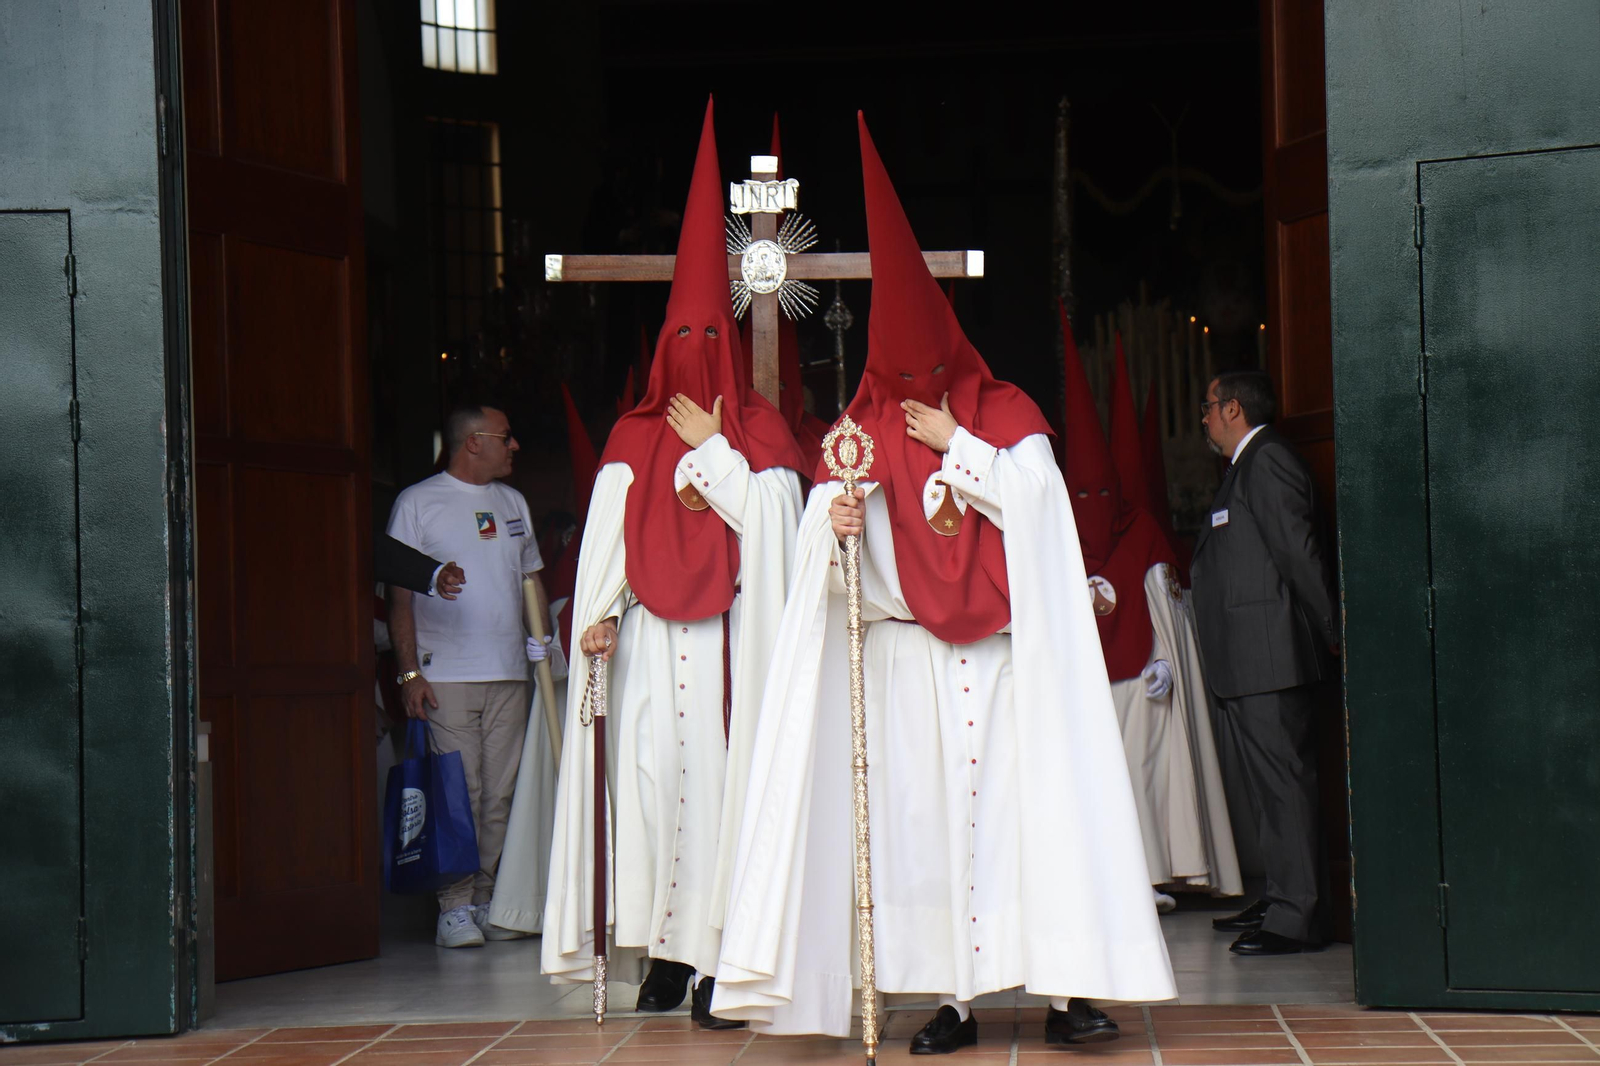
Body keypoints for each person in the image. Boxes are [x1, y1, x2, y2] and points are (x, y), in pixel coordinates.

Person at [710, 114, 1175, 1052]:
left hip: (1014, 669)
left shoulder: (1005, 414)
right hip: (909, 669)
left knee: (1033, 828)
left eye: (931, 369)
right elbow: (825, 562)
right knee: (927, 838)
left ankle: (1068, 992)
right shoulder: (859, 433)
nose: (915, 388)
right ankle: (949, 1000)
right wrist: (835, 531)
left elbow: (1042, 517)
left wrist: (955, 447)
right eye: (900, 372)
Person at [541, 99, 806, 1029]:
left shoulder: (760, 431)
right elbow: (608, 545)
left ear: (728, 347)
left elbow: (779, 526)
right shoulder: (629, 435)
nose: (694, 359)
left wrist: (715, 453)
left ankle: (723, 953)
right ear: (662, 347)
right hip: (654, 644)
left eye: (708, 342)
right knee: (651, 795)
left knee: (727, 794)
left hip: (733, 639)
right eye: (679, 343)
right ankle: (661, 951)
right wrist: (600, 614)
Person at [1067, 331, 1241, 912]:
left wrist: (1166, 661)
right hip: (1084, 685)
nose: (1092, 503)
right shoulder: (1059, 533)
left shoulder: (1139, 530)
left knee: (1142, 776)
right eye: (1081, 493)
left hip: (1141, 682)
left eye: (1101, 492)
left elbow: (1166, 608)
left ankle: (1151, 874)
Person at [386, 402, 558, 948]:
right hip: (448, 673)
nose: (514, 447)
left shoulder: (513, 502)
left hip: (509, 669)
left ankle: (487, 898)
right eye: (505, 438)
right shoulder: (417, 502)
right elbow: (400, 592)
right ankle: (453, 907)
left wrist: (541, 636)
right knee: (462, 790)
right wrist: (409, 673)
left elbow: (531, 578)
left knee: (500, 794)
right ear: (472, 442)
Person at [1192, 369, 1338, 957]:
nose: (1202, 419)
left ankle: (1295, 916)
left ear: (1232, 409)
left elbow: (1297, 552)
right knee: (1268, 790)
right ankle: (1282, 897)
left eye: (1207, 407)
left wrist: (1332, 628)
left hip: (1271, 660)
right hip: (1249, 662)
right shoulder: (1245, 468)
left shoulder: (1269, 460)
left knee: (1285, 788)